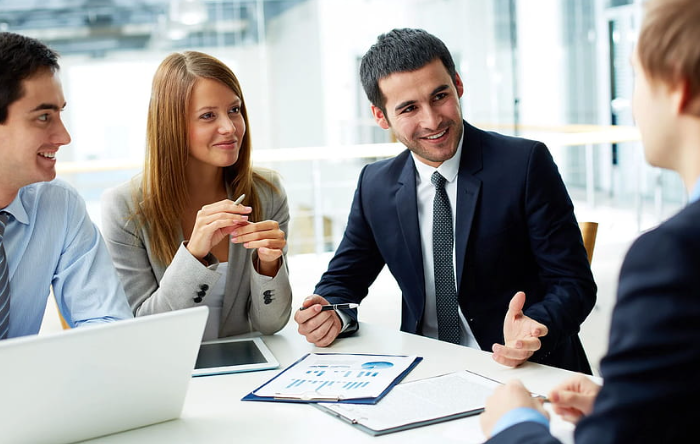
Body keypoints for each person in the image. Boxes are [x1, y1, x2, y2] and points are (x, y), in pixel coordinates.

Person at [294, 28, 596, 373]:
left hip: (523, 367)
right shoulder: (375, 185)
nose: (432, 120)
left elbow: (573, 284)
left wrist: (536, 327)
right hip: (425, 367)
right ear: (381, 117)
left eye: (440, 96)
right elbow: (343, 281)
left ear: (458, 85)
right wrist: (330, 313)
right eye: (409, 108)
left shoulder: (525, 165)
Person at [480, 0, 700, 441]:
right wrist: (632, 405)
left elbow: (572, 284)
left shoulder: (673, 257)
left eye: (636, 75)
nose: (630, 101)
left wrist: (513, 422)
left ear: (680, 87)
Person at [101, 51, 292, 340]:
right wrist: (193, 255)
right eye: (208, 116)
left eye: (234, 110)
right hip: (168, 373)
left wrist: (269, 264)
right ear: (172, 125)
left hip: (246, 371)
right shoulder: (125, 207)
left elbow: (271, 324)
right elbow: (142, 329)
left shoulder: (267, 192)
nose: (229, 128)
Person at [0, 32, 132, 339]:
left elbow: (108, 323)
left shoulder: (58, 204)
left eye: (60, 113)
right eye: (44, 117)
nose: (64, 137)